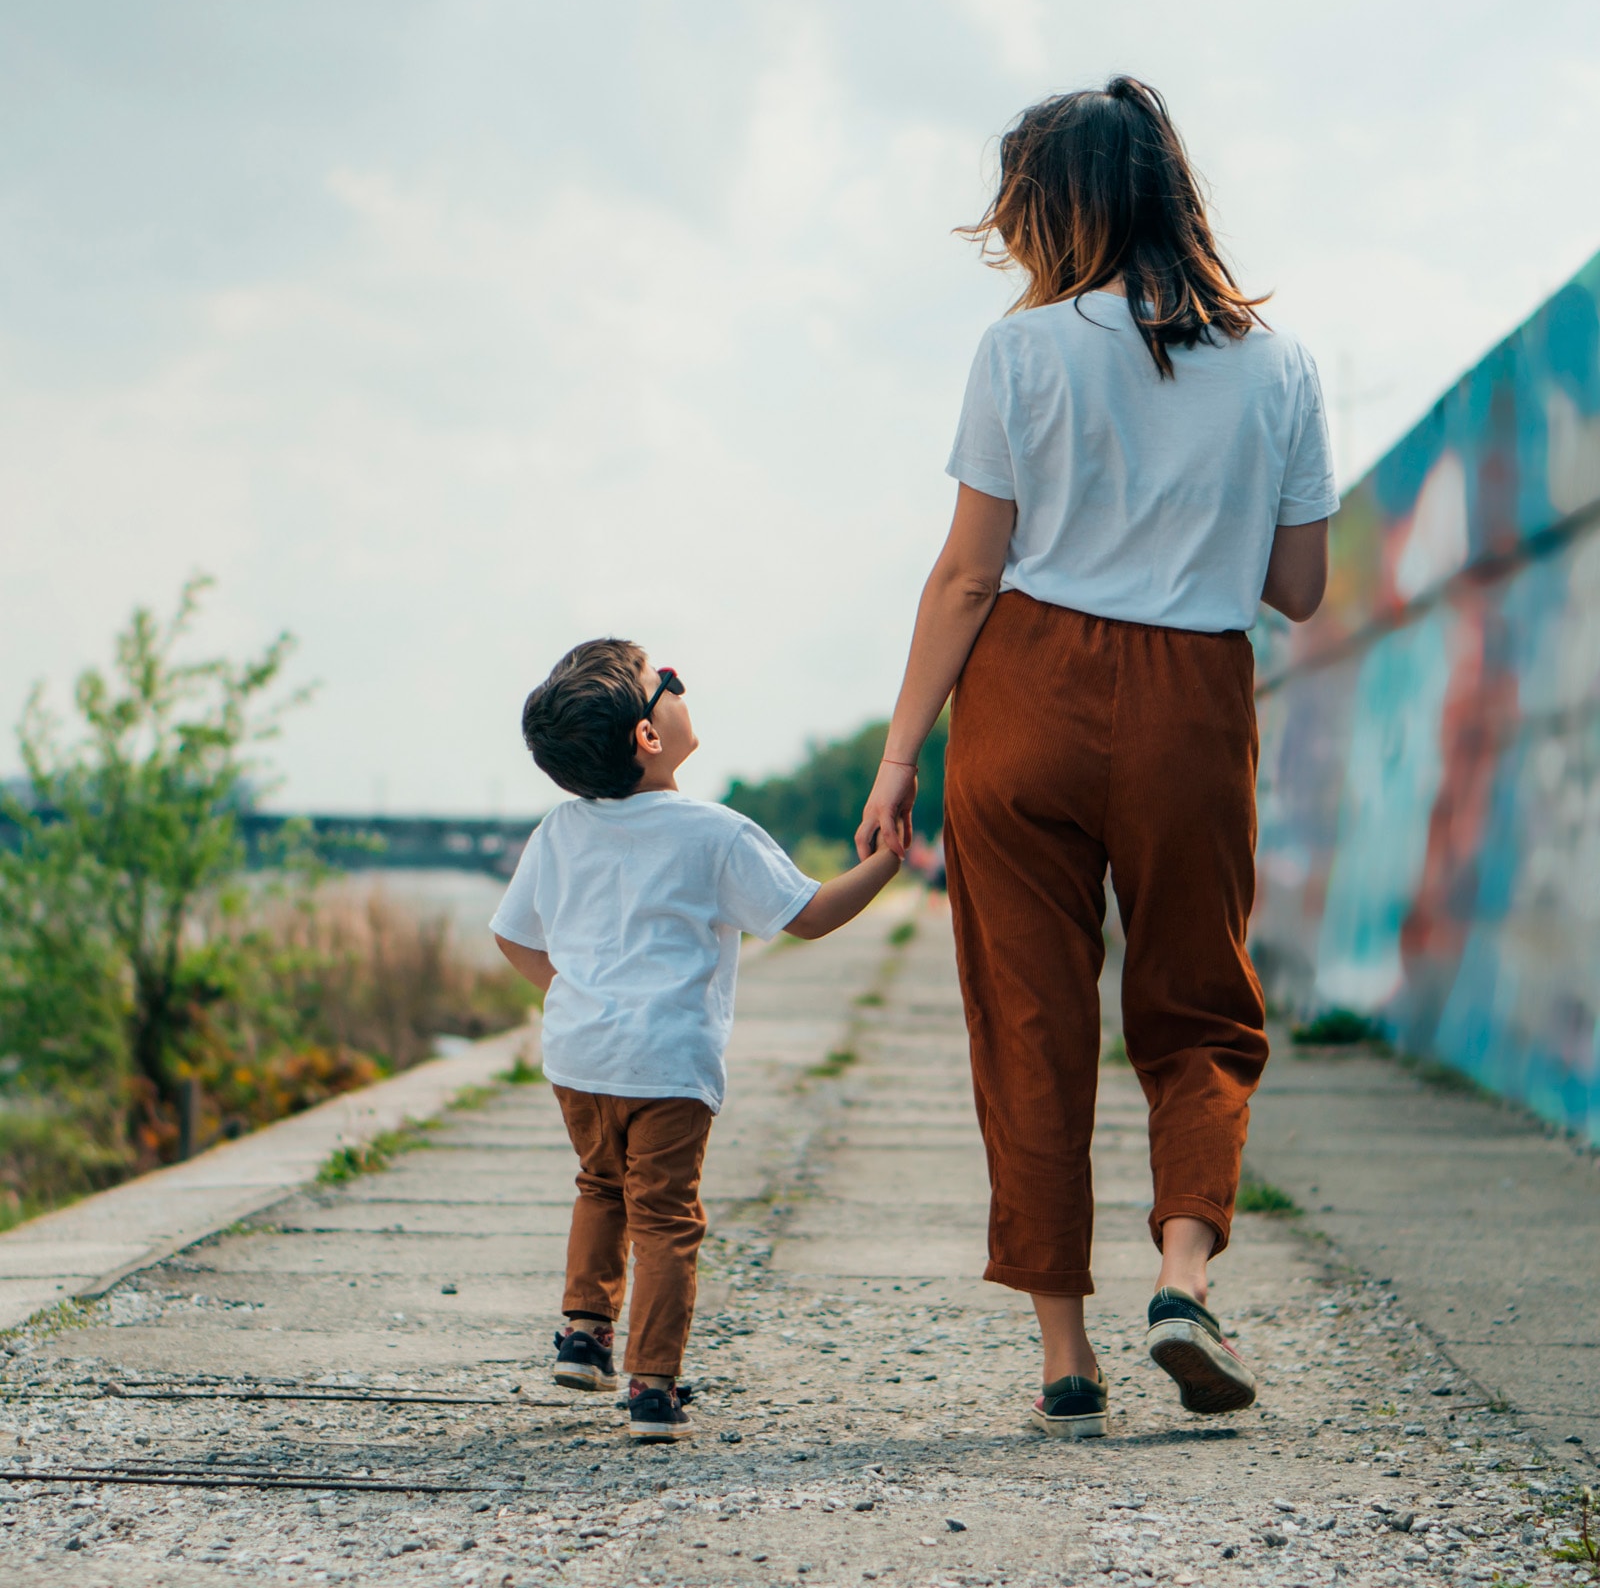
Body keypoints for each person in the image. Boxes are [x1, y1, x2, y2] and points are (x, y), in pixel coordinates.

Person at [854, 77, 1336, 1439]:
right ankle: (1184, 1276)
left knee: (1029, 1019)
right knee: (1198, 1005)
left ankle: (1067, 1352)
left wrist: (900, 759)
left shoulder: (1021, 353)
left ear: (1054, 208)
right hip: (1193, 697)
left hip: (1024, 701)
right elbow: (1299, 588)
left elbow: (967, 575)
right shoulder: (1280, 364)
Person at [493, 639, 900, 1442]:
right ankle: (652, 1384)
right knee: (667, 1219)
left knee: (600, 1186)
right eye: (667, 683)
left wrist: (579, 996)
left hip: (578, 1058)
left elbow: (513, 938)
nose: (680, 687)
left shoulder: (559, 830)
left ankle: (583, 1333)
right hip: (668, 1066)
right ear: (649, 737)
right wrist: (888, 863)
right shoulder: (714, 834)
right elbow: (809, 916)